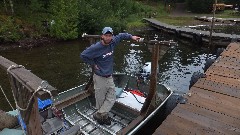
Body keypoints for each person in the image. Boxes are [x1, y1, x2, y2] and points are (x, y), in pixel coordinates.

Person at [80, 27, 141, 125]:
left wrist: (131, 37)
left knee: (112, 97)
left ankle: (99, 115)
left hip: (109, 76)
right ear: (102, 36)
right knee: (100, 100)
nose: (108, 38)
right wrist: (93, 64)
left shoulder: (113, 42)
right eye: (106, 35)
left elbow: (121, 36)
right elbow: (83, 55)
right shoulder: (96, 47)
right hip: (100, 77)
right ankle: (103, 117)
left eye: (110, 36)